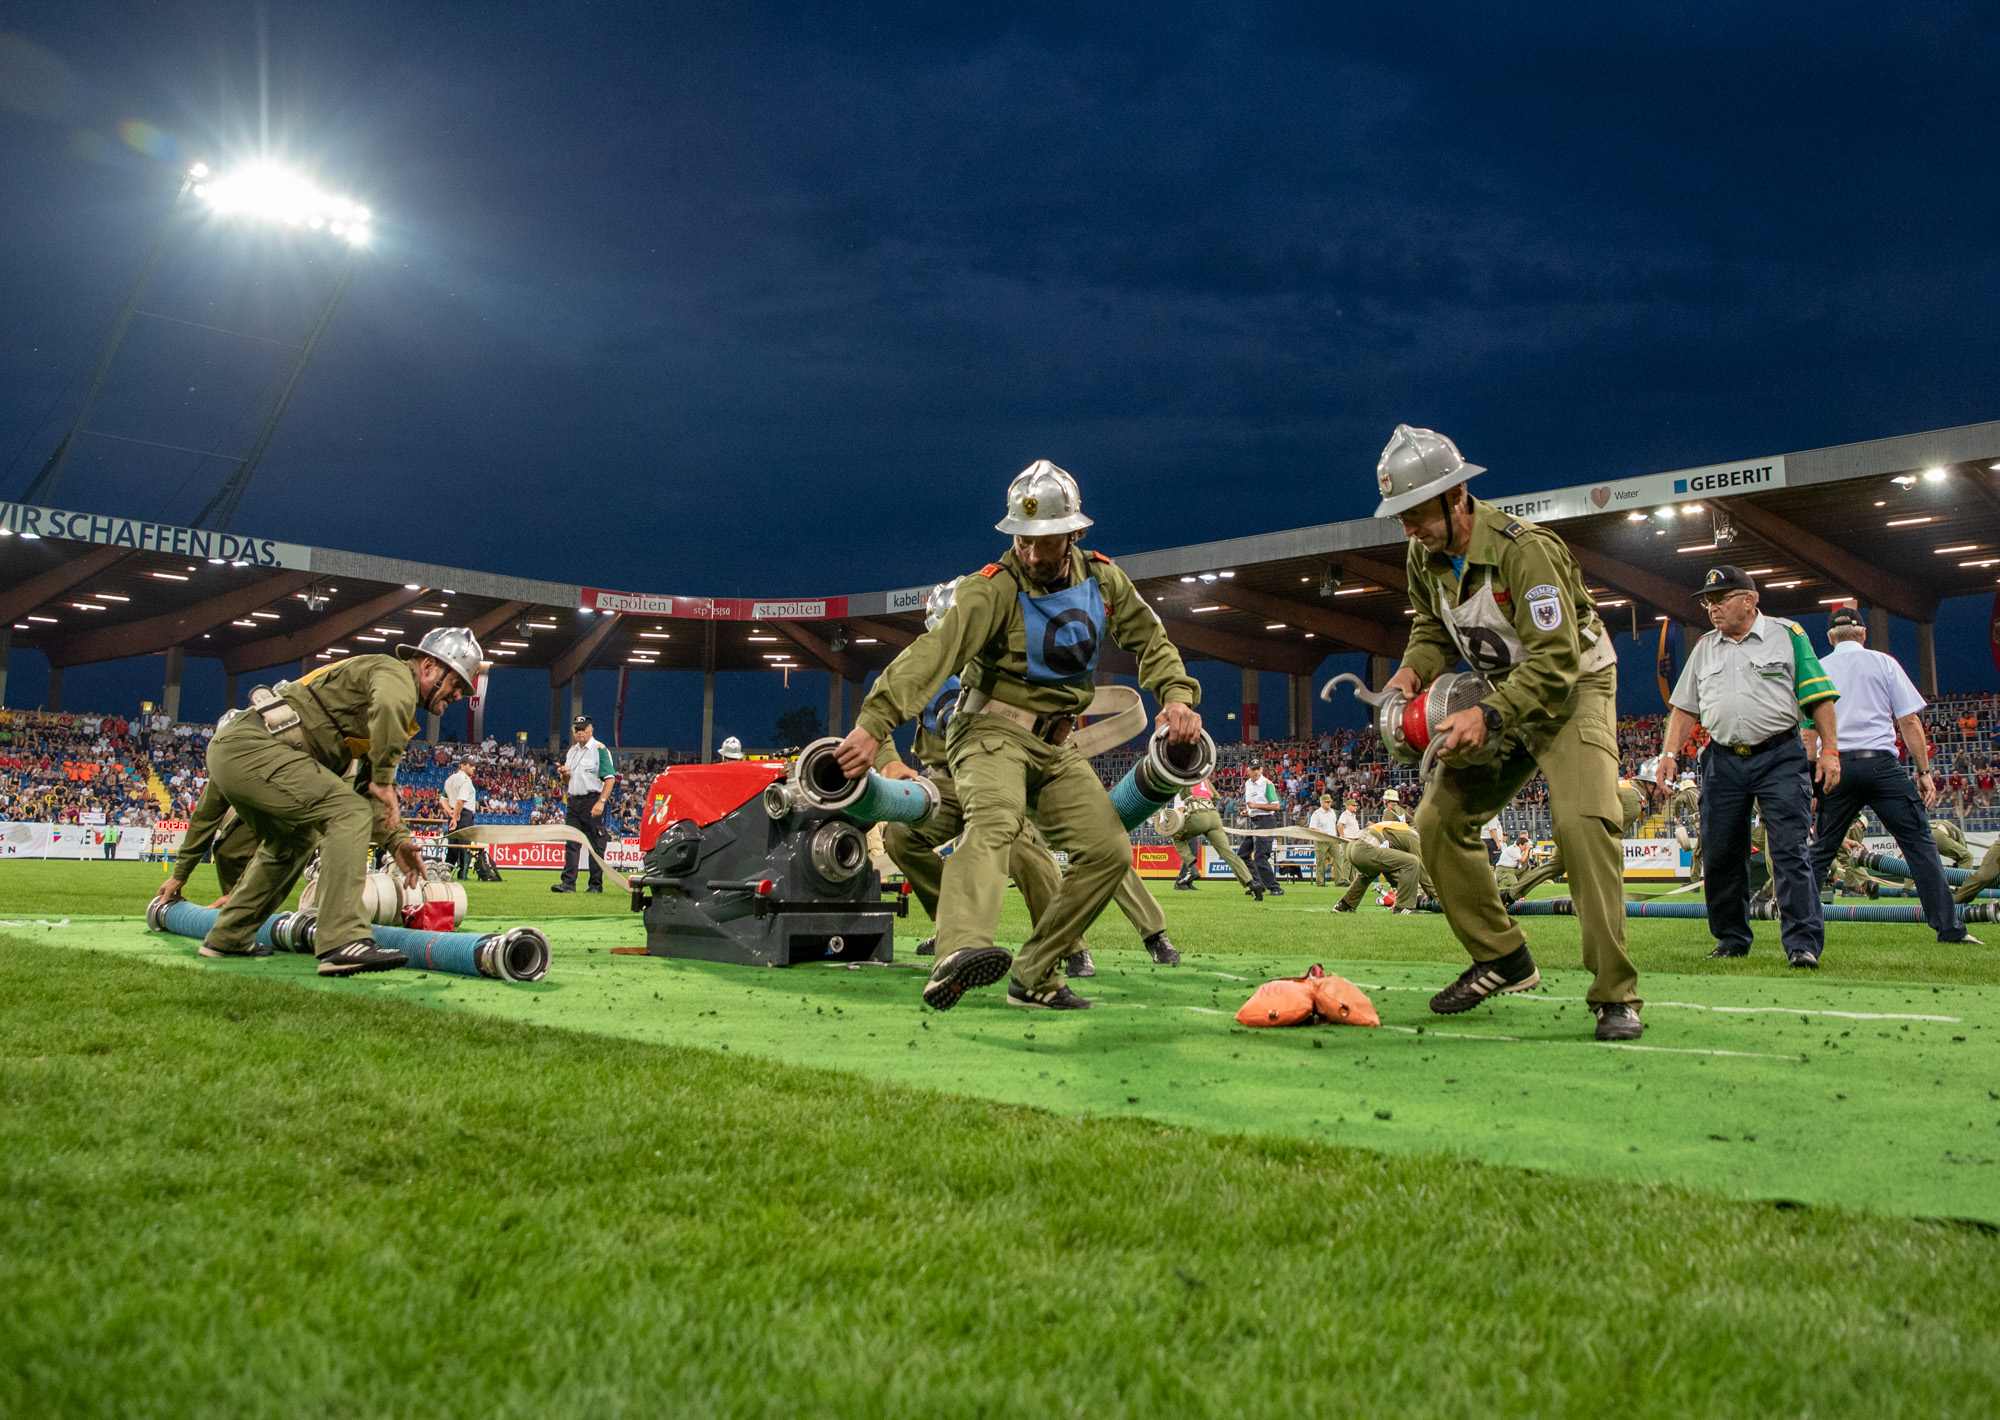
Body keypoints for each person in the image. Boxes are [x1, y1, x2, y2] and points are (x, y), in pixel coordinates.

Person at [833, 459, 1204, 1012]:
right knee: (997, 821)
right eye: (1023, 540)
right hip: (987, 732)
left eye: (1045, 541)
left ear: (1074, 533)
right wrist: (874, 725)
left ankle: (1034, 974)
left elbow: (1150, 639)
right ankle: (957, 953)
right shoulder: (991, 589)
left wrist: (1176, 695)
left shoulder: (1103, 580)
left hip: (1055, 747)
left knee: (1108, 850)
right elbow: (932, 656)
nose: (1031, 553)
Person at [1377, 424, 1642, 1040]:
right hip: (1500, 695)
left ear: (1456, 497)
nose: (1409, 530)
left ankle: (1615, 994)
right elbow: (1433, 632)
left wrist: (1487, 714)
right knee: (1436, 822)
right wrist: (1407, 677)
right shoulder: (1422, 555)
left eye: (1417, 514)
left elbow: (1553, 664)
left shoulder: (1527, 551)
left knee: (1581, 825)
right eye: (1401, 518)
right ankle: (1501, 956)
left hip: (1572, 692)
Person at [877, 579, 1180, 974]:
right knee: (901, 835)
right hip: (953, 782)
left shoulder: (1009, 652)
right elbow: (887, 709)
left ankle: (1123, 938)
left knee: (1091, 842)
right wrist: (889, 760)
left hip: (1022, 766)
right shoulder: (929, 661)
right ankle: (951, 926)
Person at [201, 626, 482, 975]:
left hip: (245, 750)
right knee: (348, 812)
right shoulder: (395, 675)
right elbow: (377, 772)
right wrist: (385, 778)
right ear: (427, 666)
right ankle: (342, 941)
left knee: (297, 838)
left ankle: (228, 936)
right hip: (253, 747)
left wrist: (397, 840)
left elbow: (367, 787)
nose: (458, 694)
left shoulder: (389, 704)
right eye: (456, 682)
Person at [1659, 566, 1841, 968]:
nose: (1712, 608)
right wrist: (1669, 755)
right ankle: (1731, 938)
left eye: (1720, 599)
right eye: (1708, 601)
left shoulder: (1787, 635)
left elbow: (1820, 698)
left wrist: (1830, 750)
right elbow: (1685, 707)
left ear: (1749, 600)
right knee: (1721, 851)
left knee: (1790, 848)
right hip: (1722, 758)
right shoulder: (1705, 646)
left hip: (1780, 756)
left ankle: (1802, 944)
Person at [1806, 608, 1977, 946]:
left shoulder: (1818, 669)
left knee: (1820, 852)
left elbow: (1808, 735)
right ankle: (1950, 929)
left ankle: (1797, 924)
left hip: (1836, 765)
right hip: (1882, 765)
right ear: (1863, 634)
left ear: (1829, 638)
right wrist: (1924, 772)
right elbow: (1909, 723)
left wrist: (1810, 782)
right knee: (1920, 847)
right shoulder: (1884, 663)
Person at [1499, 760, 1653, 906]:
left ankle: (1509, 895)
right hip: (1582, 827)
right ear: (1650, 783)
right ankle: (1601, 904)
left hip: (1570, 820)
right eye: (1662, 785)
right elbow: (1611, 836)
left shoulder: (1627, 787)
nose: (1667, 791)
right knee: (1613, 861)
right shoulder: (1634, 802)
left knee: (1555, 866)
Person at [554, 715, 616, 893]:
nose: (579, 732)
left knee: (596, 845)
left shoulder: (599, 749)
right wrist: (564, 773)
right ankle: (568, 883)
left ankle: (595, 885)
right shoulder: (572, 751)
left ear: (591, 729)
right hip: (574, 801)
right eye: (577, 729)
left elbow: (610, 780)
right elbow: (567, 781)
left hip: (592, 800)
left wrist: (601, 802)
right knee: (571, 843)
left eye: (583, 728)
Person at [1167, 778, 1260, 896]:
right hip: (1213, 816)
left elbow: (1180, 809)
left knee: (1176, 836)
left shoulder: (1184, 781)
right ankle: (1251, 882)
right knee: (1228, 853)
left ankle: (1191, 868)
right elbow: (1215, 796)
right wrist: (1208, 808)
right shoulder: (1204, 779)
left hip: (1196, 817)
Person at [1334, 815, 1429, 914]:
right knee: (1413, 861)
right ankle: (1403, 906)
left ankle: (1345, 904)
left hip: (1353, 845)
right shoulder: (1414, 837)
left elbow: (1388, 867)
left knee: (1370, 873)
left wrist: (1401, 887)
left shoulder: (1401, 829)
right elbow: (1422, 872)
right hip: (1365, 848)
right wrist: (1438, 898)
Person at [1241, 761, 1284, 894]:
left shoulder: (1267, 784)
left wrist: (1255, 807)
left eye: (1258, 769)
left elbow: (1276, 806)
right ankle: (1259, 884)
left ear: (1261, 769)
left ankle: (1275, 888)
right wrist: (1247, 811)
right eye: (1253, 769)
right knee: (1242, 854)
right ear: (1248, 770)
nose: (1255, 772)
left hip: (1265, 822)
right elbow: (1252, 805)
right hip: (1253, 821)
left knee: (1260, 857)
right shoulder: (1248, 783)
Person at [441, 754, 478, 880]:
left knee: (453, 845)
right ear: (462, 765)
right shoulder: (466, 780)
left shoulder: (450, 779)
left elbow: (443, 799)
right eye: (470, 765)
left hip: (453, 813)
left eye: (474, 766)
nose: (473, 768)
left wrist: (450, 812)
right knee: (464, 845)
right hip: (464, 814)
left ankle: (446, 871)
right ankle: (462, 874)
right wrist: (455, 818)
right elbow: (460, 802)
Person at [1307, 792, 1342, 885]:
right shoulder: (1316, 814)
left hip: (1333, 840)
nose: (1329, 804)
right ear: (1321, 803)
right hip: (1321, 840)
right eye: (1327, 802)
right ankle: (1320, 882)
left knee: (1338, 859)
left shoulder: (1332, 812)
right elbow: (1312, 828)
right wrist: (1322, 833)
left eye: (1330, 802)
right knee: (1321, 862)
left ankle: (1339, 881)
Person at [1334, 795, 1362, 884]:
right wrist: (1343, 836)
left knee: (1353, 860)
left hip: (1353, 839)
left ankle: (1352, 879)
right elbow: (1339, 824)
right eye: (1354, 806)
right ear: (1348, 807)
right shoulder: (1345, 814)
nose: (1356, 807)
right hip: (1347, 840)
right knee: (1347, 859)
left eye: (1356, 805)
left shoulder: (1352, 815)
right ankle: (1344, 879)